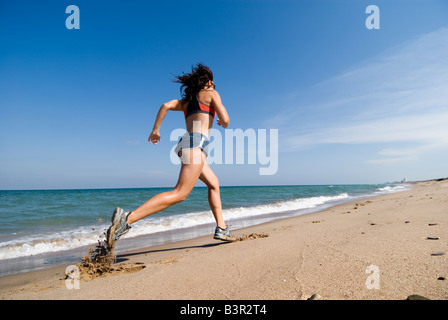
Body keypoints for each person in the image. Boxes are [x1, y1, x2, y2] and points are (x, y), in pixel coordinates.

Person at [106, 63, 235, 251]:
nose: (214, 85)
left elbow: (165, 105)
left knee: (214, 183)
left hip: (188, 145)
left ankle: (221, 228)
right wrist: (222, 120)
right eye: (212, 81)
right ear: (206, 82)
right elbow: (226, 119)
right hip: (196, 145)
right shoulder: (212, 94)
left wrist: (155, 130)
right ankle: (126, 219)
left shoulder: (187, 102)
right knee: (180, 193)